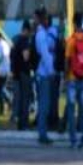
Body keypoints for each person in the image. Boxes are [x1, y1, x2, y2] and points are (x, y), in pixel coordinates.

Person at [65, 13, 83, 149]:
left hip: (72, 79)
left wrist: (65, 76)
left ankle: (73, 140)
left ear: (74, 24)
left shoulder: (71, 40)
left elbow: (68, 60)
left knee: (71, 110)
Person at [34, 13, 55, 145]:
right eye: (46, 18)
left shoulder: (43, 33)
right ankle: (42, 134)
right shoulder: (41, 35)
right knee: (44, 105)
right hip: (44, 74)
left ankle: (43, 133)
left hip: (43, 73)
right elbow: (45, 54)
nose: (48, 20)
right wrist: (51, 71)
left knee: (44, 105)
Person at [11, 21, 33, 130]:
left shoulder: (17, 40)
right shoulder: (24, 41)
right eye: (29, 31)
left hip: (17, 73)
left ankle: (20, 123)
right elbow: (26, 57)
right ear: (26, 30)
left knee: (19, 99)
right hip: (24, 73)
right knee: (25, 99)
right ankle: (24, 124)